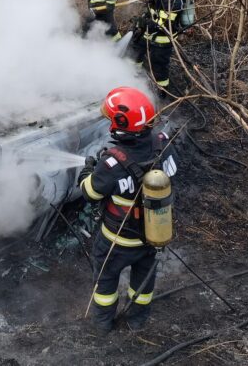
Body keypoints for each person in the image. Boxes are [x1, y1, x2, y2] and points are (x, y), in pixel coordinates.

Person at [77, 86, 178, 334]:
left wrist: (88, 170)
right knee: (142, 285)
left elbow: (90, 193)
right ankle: (137, 321)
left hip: (116, 241)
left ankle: (102, 325)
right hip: (152, 236)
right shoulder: (162, 144)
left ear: (120, 123)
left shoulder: (112, 163)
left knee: (106, 282)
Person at [130, 0, 193, 93]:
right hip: (150, 33)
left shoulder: (173, 0)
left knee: (159, 68)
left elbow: (162, 25)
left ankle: (161, 94)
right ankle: (131, 78)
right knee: (134, 50)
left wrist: (143, 23)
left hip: (163, 40)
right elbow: (151, 13)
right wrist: (140, 23)